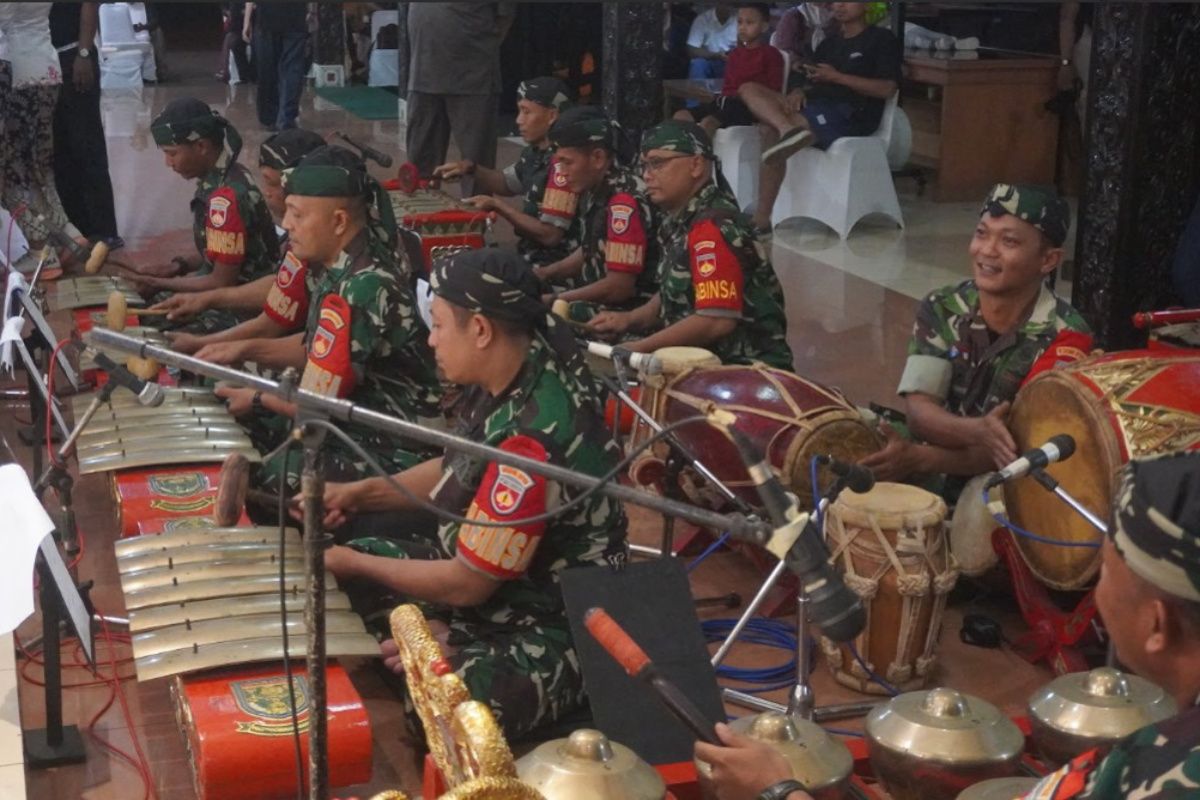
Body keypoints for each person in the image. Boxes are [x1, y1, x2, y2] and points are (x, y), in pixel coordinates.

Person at [696, 451, 1200, 800]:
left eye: (1106, 571)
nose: (1096, 587)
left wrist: (778, 788)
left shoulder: (1146, 770)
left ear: (1157, 624)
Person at [313, 247, 628, 740]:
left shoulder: (536, 436)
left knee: (449, 713)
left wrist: (357, 564)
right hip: (501, 588)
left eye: (439, 325)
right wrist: (359, 494)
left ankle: (468, 652)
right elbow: (458, 463)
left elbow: (467, 584)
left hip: (557, 620)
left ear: (480, 330)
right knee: (357, 560)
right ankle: (442, 639)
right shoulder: (512, 369)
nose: (431, 339)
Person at [206, 145, 441, 493]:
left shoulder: (364, 285)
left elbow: (319, 403)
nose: (286, 224)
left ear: (339, 221)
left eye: (298, 215)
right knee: (235, 408)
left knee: (272, 475)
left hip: (393, 440)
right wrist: (239, 351)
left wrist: (257, 396)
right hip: (354, 415)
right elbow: (316, 349)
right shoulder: (339, 264)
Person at [859, 184, 1091, 495]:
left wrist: (920, 459)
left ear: (1048, 260)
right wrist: (977, 431)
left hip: (1008, 484)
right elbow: (919, 411)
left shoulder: (1068, 337)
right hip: (933, 454)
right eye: (982, 233)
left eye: (1008, 241)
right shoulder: (943, 305)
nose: (987, 250)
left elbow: (1014, 449)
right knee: (847, 438)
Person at [588, 120, 793, 370]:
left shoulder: (713, 228)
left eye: (658, 163)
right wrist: (629, 320)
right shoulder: (680, 216)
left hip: (742, 371)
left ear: (696, 165)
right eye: (645, 165)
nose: (646, 175)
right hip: (704, 358)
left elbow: (716, 321)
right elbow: (671, 293)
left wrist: (640, 348)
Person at [156, 128, 326, 355]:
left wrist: (215, 344)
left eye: (272, 183)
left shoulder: (227, 196)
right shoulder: (306, 237)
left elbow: (303, 344)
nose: (267, 194)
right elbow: (281, 286)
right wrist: (203, 298)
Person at [739, 1, 901, 233]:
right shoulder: (829, 43)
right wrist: (798, 91)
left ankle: (762, 218)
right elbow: (808, 74)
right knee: (749, 89)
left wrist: (837, 77)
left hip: (850, 113)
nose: (839, 6)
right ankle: (788, 130)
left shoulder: (881, 39)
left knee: (768, 131)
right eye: (835, 1)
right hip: (814, 105)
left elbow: (887, 89)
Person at [132, 98, 281, 333]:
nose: (168, 163)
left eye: (172, 154)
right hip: (226, 292)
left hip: (241, 307)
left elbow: (221, 282)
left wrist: (157, 282)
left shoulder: (226, 198)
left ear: (201, 146)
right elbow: (218, 253)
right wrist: (176, 266)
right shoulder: (226, 175)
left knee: (149, 325)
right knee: (148, 303)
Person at [432, 76, 580, 268]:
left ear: (552, 116)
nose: (519, 120)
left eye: (526, 112)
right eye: (519, 111)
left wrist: (498, 206)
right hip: (529, 255)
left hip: (553, 265)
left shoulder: (564, 162)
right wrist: (470, 168)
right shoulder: (534, 153)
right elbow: (506, 183)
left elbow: (550, 235)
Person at [534, 106, 660, 314]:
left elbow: (619, 287)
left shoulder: (623, 202)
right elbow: (591, 249)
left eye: (567, 163)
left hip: (622, 314)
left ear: (598, 158)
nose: (562, 174)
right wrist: (545, 273)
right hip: (598, 300)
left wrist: (555, 299)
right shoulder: (595, 185)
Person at [0, 2, 83, 274]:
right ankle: (70, 238)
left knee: (15, 172)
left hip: (18, 70)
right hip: (46, 68)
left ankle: (40, 253)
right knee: (40, 168)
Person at [405, 3, 514, 182]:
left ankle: (475, 210)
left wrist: (477, 48)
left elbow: (505, 15)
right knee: (419, 162)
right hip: (422, 73)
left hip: (472, 77)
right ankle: (421, 206)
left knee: (475, 163)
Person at [49, 2, 120, 251]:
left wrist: (84, 53)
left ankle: (103, 229)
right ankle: (76, 227)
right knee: (57, 151)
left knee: (87, 144)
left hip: (73, 56)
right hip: (41, 60)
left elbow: (88, 4)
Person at [674, 4, 783, 140]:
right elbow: (728, 86)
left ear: (764, 26)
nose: (742, 27)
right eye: (739, 22)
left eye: (749, 23)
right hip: (723, 102)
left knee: (708, 122)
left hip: (745, 106)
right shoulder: (735, 54)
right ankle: (680, 156)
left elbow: (774, 90)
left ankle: (702, 159)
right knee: (681, 115)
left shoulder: (771, 54)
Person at [243, 1, 308, 131]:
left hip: (268, 18)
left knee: (268, 69)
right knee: (292, 69)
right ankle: (286, 118)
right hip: (296, 18)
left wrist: (246, 22)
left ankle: (270, 118)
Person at [686, 3, 738, 81]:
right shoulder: (703, 19)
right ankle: (696, 91)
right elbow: (691, 49)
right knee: (697, 64)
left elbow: (747, 44)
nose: (726, 6)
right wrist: (715, 55)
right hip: (708, 59)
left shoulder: (739, 19)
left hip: (731, 61)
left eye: (729, 4)